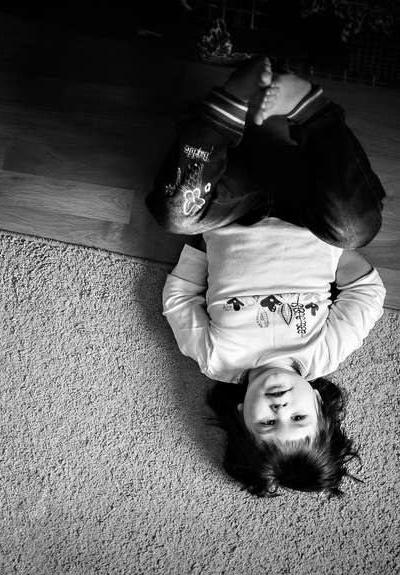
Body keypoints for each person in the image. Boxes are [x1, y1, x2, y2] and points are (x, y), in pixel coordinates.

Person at [145, 57, 386, 497]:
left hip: (237, 204)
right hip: (308, 208)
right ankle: (310, 110)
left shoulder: (216, 359)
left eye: (267, 422)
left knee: (175, 213)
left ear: (241, 415)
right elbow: (367, 294)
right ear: (318, 404)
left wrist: (204, 245)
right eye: (298, 417)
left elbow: (178, 300)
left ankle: (228, 105)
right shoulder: (325, 354)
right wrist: (334, 252)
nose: (280, 406)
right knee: (357, 227)